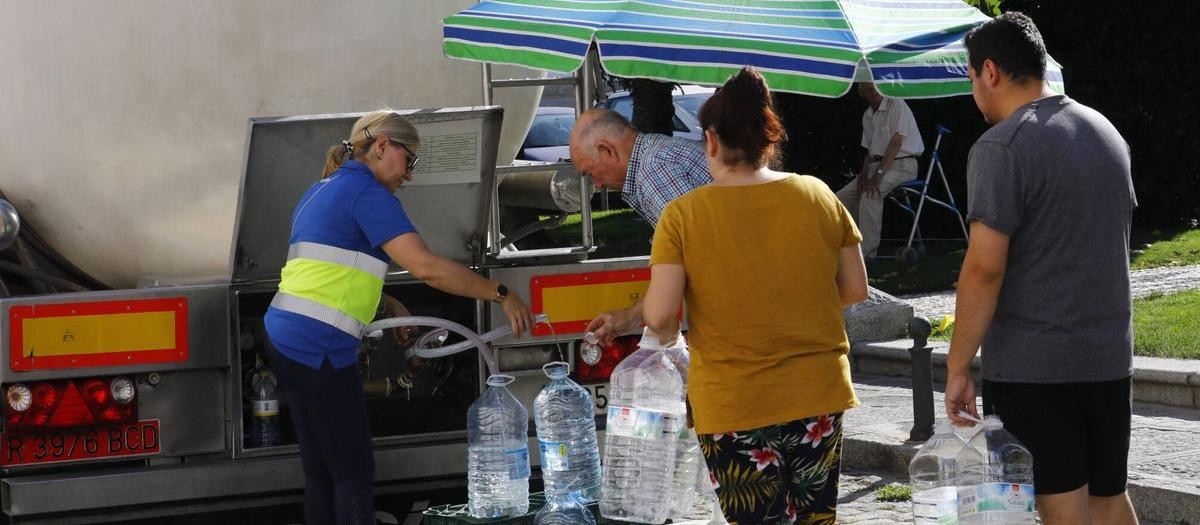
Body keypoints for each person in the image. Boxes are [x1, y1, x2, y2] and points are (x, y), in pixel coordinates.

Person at [262, 110, 534, 525]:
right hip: (318, 348)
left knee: (322, 470)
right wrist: (500, 292)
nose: (409, 174)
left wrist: (388, 302)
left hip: (284, 337)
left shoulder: (322, 188)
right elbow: (427, 268)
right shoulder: (368, 195)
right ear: (383, 145)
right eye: (411, 161)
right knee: (353, 473)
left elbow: (327, 273)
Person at [641, 67, 869, 523]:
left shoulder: (682, 216)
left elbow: (662, 316)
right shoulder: (819, 195)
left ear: (710, 140)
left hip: (732, 401)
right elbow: (855, 288)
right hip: (816, 391)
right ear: (769, 138)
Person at [942, 13, 1138, 525]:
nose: (973, 92)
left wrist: (958, 364)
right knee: (1109, 500)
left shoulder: (1001, 147)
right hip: (1109, 359)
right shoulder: (1105, 130)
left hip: (1036, 368)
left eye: (969, 78)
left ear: (990, 71)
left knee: (1061, 508)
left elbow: (984, 268)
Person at [569, 109, 712, 343]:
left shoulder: (652, 171)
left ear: (608, 151)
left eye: (591, 173)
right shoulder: (655, 157)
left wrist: (636, 315)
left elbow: (697, 256)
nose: (597, 185)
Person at [835, 81, 924, 260]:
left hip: (903, 164)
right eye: (866, 90)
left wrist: (878, 176)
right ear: (862, 93)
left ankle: (866, 254)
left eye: (873, 89)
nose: (871, 94)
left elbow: (896, 144)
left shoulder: (896, 104)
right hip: (878, 165)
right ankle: (839, 246)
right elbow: (870, 152)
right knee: (841, 198)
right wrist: (862, 175)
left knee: (870, 194)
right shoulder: (868, 115)